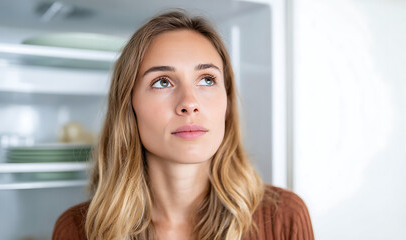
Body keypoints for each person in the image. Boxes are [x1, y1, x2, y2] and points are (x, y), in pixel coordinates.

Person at [52, 10, 314, 240]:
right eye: (162, 82)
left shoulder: (284, 218)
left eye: (207, 80)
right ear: (129, 106)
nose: (190, 103)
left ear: (227, 102)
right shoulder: (76, 230)